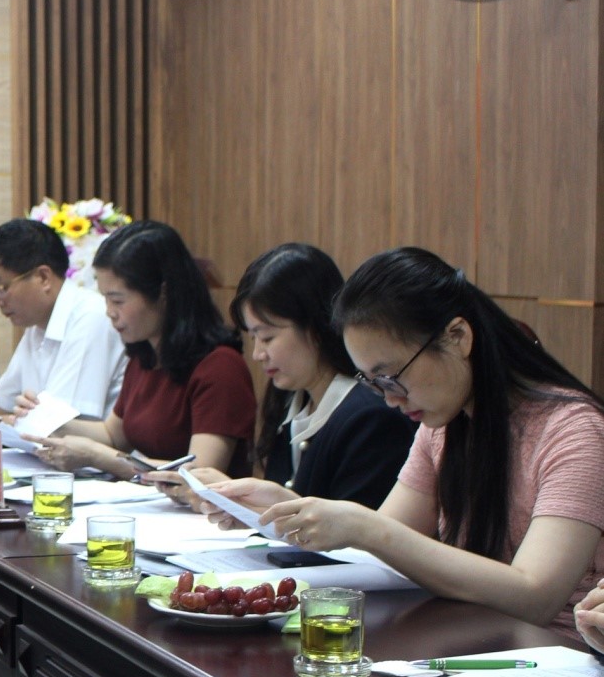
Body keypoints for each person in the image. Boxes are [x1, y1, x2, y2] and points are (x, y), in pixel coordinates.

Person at [193, 247, 604, 638]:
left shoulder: (574, 432)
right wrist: (285, 510)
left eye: (391, 377)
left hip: (554, 661)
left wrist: (364, 527)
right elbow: (382, 548)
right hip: (468, 638)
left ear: (458, 336)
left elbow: (535, 596)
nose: (390, 399)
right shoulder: (442, 424)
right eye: (374, 383)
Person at [150, 244, 415, 507]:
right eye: (253, 338)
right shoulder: (292, 402)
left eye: (267, 337)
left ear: (315, 326)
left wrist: (237, 499)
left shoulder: (371, 418)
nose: (258, 354)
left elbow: (354, 529)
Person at [23, 221, 256, 478]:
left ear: (163, 292)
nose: (109, 312)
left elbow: (199, 477)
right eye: (105, 299)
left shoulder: (220, 367)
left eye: (118, 300)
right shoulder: (144, 355)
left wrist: (96, 456)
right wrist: (47, 419)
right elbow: (113, 435)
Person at [0, 218, 125, 419]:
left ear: (43, 277)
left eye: (1, 288)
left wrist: (9, 422)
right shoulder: (37, 327)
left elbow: (61, 423)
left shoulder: (90, 318)